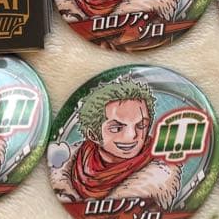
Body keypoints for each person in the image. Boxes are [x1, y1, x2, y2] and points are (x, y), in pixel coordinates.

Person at [50, 78, 180, 208]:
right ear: (93, 135)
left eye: (141, 125)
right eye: (116, 128)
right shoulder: (69, 166)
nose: (132, 135)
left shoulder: (159, 176)